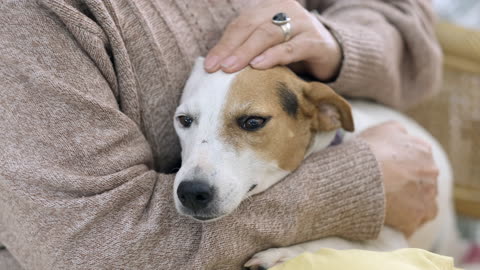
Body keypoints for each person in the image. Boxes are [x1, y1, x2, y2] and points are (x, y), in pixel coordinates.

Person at [0, 0, 441, 269]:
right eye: (186, 123)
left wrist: (338, 42)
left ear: (324, 114)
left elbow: (399, 13)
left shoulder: (326, 114)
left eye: (250, 123)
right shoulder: (29, 21)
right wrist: (350, 188)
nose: (192, 177)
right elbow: (88, 249)